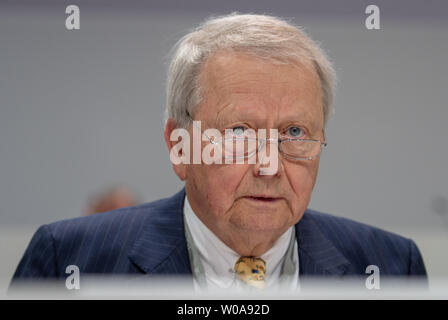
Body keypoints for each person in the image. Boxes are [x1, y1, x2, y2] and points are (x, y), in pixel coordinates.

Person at [11, 13, 426, 292]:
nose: (269, 167)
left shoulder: (389, 266)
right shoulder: (69, 259)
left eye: (295, 132)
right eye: (240, 132)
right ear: (180, 147)